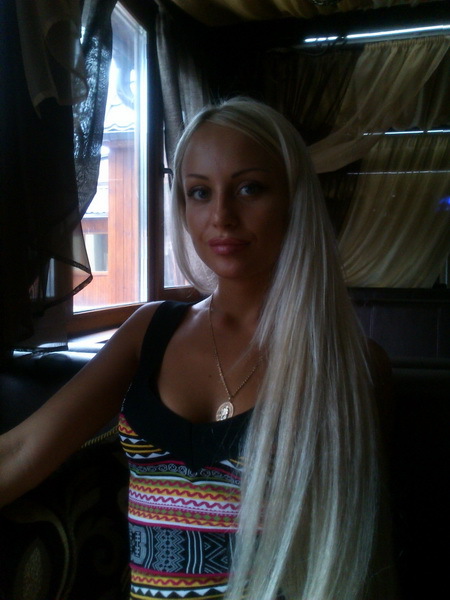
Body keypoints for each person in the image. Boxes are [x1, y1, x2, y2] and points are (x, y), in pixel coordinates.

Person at [0, 98, 395, 599]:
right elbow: (21, 450)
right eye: (200, 192)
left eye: (250, 188)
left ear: (294, 199)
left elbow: (361, 541)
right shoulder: (150, 331)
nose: (222, 216)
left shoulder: (350, 364)